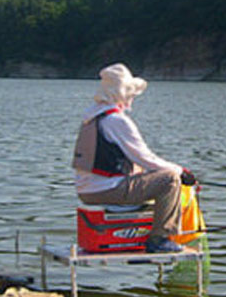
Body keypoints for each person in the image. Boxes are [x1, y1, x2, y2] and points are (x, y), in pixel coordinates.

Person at [72, 63, 196, 254]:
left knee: (160, 180)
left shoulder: (93, 116)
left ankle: (137, 237)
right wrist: (181, 172)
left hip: (88, 190)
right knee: (170, 180)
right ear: (122, 93)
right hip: (106, 190)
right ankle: (159, 239)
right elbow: (145, 158)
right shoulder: (117, 121)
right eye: (130, 93)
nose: (132, 98)